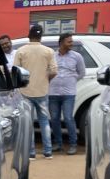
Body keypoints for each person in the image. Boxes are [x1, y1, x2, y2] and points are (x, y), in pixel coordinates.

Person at [15, 24, 58, 160]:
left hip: (25, 92)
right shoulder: (48, 51)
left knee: (29, 122)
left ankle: (31, 153)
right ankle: (48, 152)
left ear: (29, 35)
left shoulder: (21, 51)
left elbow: (15, 71)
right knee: (44, 121)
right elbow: (54, 71)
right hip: (42, 91)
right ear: (41, 36)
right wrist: (46, 80)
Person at [49, 33, 85, 155]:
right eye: (69, 41)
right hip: (53, 93)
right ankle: (58, 144)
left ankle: (73, 144)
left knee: (69, 118)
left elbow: (81, 73)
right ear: (61, 42)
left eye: (71, 41)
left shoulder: (77, 56)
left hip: (69, 94)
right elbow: (47, 71)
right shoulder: (52, 56)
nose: (71, 44)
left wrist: (71, 80)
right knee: (54, 119)